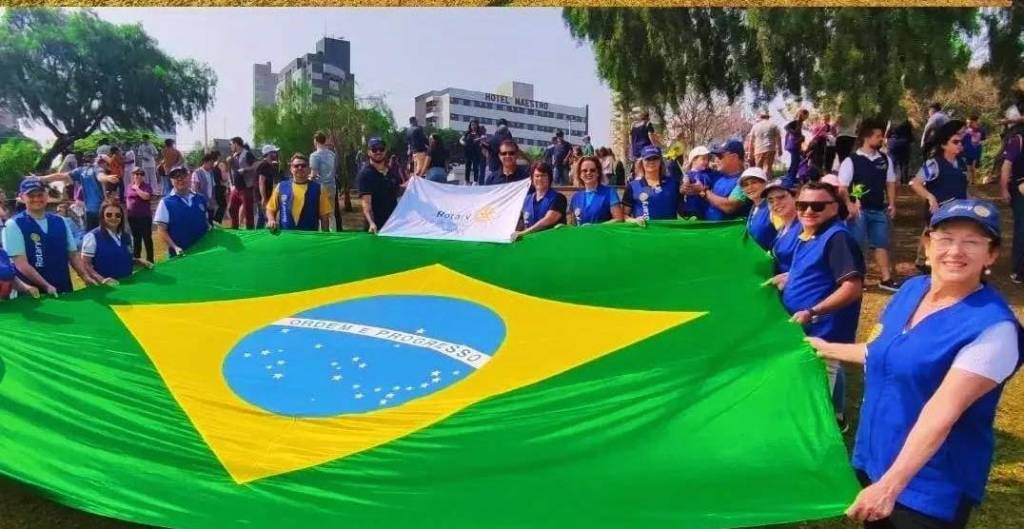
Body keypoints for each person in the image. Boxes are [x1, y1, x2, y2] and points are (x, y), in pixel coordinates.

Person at [809, 198, 1020, 529]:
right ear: (928, 244)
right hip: (876, 458)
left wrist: (889, 487)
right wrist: (827, 348)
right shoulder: (911, 290)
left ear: (990, 255)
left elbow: (943, 411)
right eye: (945, 238)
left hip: (927, 484)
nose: (955, 251)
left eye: (972, 242)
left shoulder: (994, 328)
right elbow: (887, 353)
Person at [774, 181, 864, 428]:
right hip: (806, 326)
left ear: (834, 207)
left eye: (817, 206)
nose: (808, 211)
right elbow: (818, 269)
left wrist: (813, 311)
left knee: (824, 382)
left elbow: (852, 287)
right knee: (810, 382)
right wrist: (788, 277)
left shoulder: (837, 238)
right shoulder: (810, 233)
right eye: (802, 205)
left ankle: (831, 426)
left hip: (824, 329)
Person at [1, 179, 95, 295]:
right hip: (33, 295)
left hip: (64, 289)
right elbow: (20, 263)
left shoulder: (60, 221)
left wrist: (84, 276)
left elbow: (73, 254)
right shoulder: (13, 224)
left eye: (40, 194)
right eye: (31, 196)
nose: (36, 199)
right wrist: (46, 286)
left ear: (47, 195)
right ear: (22, 197)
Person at [838, 119, 900, 292]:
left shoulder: (885, 159)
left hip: (879, 209)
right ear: (867, 137)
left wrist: (892, 204)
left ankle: (886, 279)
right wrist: (849, 205)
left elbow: (890, 182)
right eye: (878, 136)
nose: (881, 139)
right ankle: (859, 279)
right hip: (859, 211)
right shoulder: (851, 160)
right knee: (857, 245)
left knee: (881, 243)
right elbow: (842, 187)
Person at [910, 120, 969, 272]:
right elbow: (916, 183)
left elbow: (963, 187)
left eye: (960, 142)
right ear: (944, 145)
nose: (959, 145)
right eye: (955, 142)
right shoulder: (933, 163)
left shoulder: (962, 163)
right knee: (933, 236)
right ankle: (923, 261)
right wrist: (930, 197)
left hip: (958, 212)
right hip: (938, 212)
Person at [39, 154, 119, 231]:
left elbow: (62, 176)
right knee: (104, 233)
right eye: (106, 163)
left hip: (89, 210)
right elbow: (100, 176)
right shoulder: (97, 169)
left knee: (90, 233)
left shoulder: (81, 170)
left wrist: (41, 178)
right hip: (100, 210)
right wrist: (107, 178)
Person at [81, 198, 152, 283]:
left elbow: (122, 259)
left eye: (117, 215)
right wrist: (102, 280)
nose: (113, 217)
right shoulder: (92, 237)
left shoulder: (127, 236)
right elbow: (85, 264)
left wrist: (138, 261)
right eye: (109, 215)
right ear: (102, 216)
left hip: (128, 284)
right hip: (106, 288)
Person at [266, 153, 333, 233]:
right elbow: (270, 209)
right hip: (286, 236)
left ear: (309, 169)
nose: (300, 168)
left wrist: (325, 236)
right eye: (296, 166)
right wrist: (271, 220)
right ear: (291, 169)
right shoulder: (281, 186)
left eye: (303, 165)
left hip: (310, 237)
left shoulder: (319, 189)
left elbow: (324, 217)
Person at [154, 166, 209, 258]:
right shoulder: (165, 202)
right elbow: (161, 230)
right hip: (181, 256)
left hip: (204, 253)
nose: (180, 179)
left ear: (189, 177)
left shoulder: (200, 198)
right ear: (171, 181)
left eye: (183, 176)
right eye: (176, 177)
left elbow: (206, 223)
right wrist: (175, 247)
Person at [622, 146, 680, 224]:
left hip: (669, 231)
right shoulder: (632, 186)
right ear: (642, 162)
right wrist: (633, 220)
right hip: (643, 231)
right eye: (648, 159)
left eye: (655, 158)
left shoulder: (673, 184)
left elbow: (684, 212)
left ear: (660, 161)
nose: (651, 162)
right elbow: (623, 215)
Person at [357, 137, 403, 234]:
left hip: (393, 226)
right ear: (369, 152)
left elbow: (397, 191)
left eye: (381, 149)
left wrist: (413, 183)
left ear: (385, 151)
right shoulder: (365, 174)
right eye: (374, 149)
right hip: (375, 229)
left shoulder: (391, 172)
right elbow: (366, 203)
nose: (378, 152)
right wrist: (371, 223)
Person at [513, 161, 566, 241]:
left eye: (543, 176)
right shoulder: (526, 199)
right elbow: (521, 222)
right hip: (530, 244)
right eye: (537, 176)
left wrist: (523, 233)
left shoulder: (558, 198)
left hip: (552, 243)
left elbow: (548, 220)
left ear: (549, 178)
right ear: (532, 178)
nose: (540, 179)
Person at [1000, 117, 1024, 283]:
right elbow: (1006, 166)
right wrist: (1004, 189)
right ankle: (1019, 269)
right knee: (1022, 228)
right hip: (1020, 188)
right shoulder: (1018, 141)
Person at [569, 156, 624, 225]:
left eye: (592, 170)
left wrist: (595, 227)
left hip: (603, 232)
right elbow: (572, 225)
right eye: (584, 170)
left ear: (598, 173)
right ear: (580, 174)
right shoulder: (575, 197)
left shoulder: (610, 193)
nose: (588, 173)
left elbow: (619, 220)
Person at [704, 140, 751, 221]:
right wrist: (687, 186)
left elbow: (729, 206)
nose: (716, 160)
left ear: (734, 157)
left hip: (729, 228)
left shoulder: (746, 180)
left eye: (720, 156)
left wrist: (705, 193)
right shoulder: (716, 175)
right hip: (708, 226)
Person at [765, 179, 800, 273]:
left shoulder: (805, 226)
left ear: (796, 197)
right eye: (770, 200)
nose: (775, 203)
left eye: (781, 197)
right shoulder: (782, 229)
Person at [676, 146, 717, 219]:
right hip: (692, 211)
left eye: (707, 159)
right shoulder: (688, 175)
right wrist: (686, 183)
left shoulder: (709, 173)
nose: (706, 161)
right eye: (703, 159)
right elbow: (682, 190)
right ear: (694, 160)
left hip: (706, 211)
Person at [739, 167, 775, 249]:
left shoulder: (773, 207)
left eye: (754, 182)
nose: (750, 187)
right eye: (745, 185)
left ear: (765, 183)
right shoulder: (754, 207)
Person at [125, 167, 154, 264]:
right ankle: (137, 258)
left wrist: (137, 188)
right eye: (136, 174)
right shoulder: (129, 186)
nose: (138, 176)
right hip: (132, 217)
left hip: (144, 217)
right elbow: (127, 199)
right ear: (132, 175)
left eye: (141, 174)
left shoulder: (146, 186)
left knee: (147, 238)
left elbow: (146, 197)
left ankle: (150, 260)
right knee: (136, 238)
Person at [309, 131, 338, 230]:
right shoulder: (332, 154)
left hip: (320, 188)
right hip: (332, 186)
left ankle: (323, 234)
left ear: (315, 141)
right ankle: (333, 233)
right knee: (331, 213)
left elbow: (314, 174)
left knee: (322, 213)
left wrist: (307, 178)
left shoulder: (314, 156)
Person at [227, 137, 257, 230]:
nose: (230, 146)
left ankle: (250, 231)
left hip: (246, 187)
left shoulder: (247, 154)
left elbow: (256, 166)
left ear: (236, 144)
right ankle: (234, 228)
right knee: (232, 208)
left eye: (231, 144)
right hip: (236, 188)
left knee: (248, 212)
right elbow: (231, 171)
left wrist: (245, 169)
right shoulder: (234, 155)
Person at [747, 110, 782, 178]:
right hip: (770, 149)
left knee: (758, 170)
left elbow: (751, 141)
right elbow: (778, 138)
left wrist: (749, 154)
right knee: (769, 168)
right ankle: (769, 180)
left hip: (759, 150)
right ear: (768, 117)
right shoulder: (773, 125)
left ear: (760, 117)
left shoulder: (755, 127)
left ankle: (760, 181)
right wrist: (780, 149)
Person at [255, 145, 281, 229]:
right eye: (274, 152)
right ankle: (259, 233)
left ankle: (259, 232)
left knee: (262, 216)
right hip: (263, 195)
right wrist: (263, 198)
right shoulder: (264, 165)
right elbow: (261, 182)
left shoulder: (269, 165)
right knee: (265, 216)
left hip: (267, 195)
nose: (275, 154)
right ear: (269, 154)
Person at [784, 109, 810, 187]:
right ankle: (790, 179)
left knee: (796, 161)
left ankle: (791, 177)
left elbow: (795, 133)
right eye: (806, 115)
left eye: (807, 116)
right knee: (795, 162)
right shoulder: (797, 121)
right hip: (793, 145)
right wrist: (795, 134)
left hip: (796, 145)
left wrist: (801, 137)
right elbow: (786, 127)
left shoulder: (800, 122)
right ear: (802, 114)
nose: (806, 117)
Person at [629, 111, 659, 176]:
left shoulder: (633, 125)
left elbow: (630, 137)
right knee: (647, 168)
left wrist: (632, 146)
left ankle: (635, 176)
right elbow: (650, 135)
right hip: (646, 150)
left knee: (638, 167)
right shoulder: (648, 123)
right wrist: (655, 146)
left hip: (636, 150)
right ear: (648, 117)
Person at [886, 119, 914, 184]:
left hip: (893, 144)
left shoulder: (891, 121)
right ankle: (904, 183)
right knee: (904, 165)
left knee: (892, 164)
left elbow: (887, 134)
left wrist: (888, 141)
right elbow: (910, 135)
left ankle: (890, 183)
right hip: (904, 144)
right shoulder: (907, 122)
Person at [962, 115, 987, 184]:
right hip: (967, 151)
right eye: (968, 123)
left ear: (975, 122)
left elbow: (983, 140)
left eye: (970, 122)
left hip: (976, 150)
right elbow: (963, 140)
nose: (969, 124)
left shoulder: (981, 130)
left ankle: (973, 181)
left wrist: (978, 144)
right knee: (968, 167)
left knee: (973, 167)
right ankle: (969, 181)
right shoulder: (966, 131)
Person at [192, 154, 217, 223]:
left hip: (210, 200)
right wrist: (203, 200)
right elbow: (196, 189)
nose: (212, 165)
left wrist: (212, 198)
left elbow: (213, 186)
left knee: (210, 220)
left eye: (212, 163)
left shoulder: (211, 172)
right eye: (210, 163)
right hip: (201, 201)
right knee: (202, 220)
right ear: (205, 162)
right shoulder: (197, 173)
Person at [460, 119, 485, 186]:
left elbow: (483, 138)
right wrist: (463, 143)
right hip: (468, 152)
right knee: (467, 167)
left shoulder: (479, 133)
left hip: (476, 152)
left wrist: (480, 140)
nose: (473, 126)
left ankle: (475, 181)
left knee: (475, 167)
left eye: (475, 125)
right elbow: (461, 139)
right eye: (472, 125)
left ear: (477, 125)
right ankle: (466, 181)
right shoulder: (467, 133)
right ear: (470, 126)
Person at [210, 151, 228, 225]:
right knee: (223, 204)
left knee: (217, 204)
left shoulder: (211, 165)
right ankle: (216, 220)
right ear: (218, 156)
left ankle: (214, 220)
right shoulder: (220, 164)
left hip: (213, 187)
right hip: (219, 186)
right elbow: (224, 178)